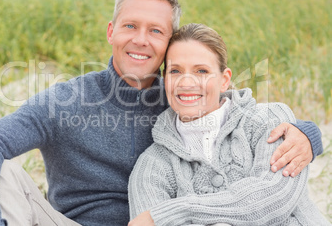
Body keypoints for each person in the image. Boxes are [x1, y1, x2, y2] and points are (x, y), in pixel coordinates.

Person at [0, 0, 323, 226]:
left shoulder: (181, 99)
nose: (141, 40)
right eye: (130, 26)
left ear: (168, 43)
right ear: (112, 32)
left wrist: (306, 133)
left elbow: (233, 110)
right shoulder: (65, 100)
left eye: (156, 31)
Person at [128, 23, 329, 226]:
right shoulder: (152, 166)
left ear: (224, 80)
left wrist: (175, 211)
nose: (186, 82)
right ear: (164, 80)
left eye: (201, 71)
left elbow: (273, 198)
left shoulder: (270, 120)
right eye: (175, 71)